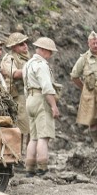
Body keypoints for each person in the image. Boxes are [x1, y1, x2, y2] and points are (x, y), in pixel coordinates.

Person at [22, 37, 60, 176]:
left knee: (33, 136)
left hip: (30, 99)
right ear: (43, 50)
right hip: (40, 99)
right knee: (44, 136)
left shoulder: (27, 64)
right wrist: (54, 106)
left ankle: (29, 167)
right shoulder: (41, 65)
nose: (50, 55)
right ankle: (42, 167)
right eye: (50, 52)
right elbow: (46, 87)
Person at [70, 31, 97, 143]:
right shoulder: (84, 59)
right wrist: (83, 88)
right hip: (91, 94)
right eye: (93, 43)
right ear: (88, 44)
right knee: (92, 121)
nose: (95, 45)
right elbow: (74, 76)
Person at [0, 32, 31, 155]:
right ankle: (17, 155)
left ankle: (28, 156)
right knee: (20, 128)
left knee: (30, 129)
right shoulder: (9, 58)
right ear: (13, 47)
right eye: (21, 44)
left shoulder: (27, 58)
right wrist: (33, 70)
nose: (25, 46)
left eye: (25, 43)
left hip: (29, 95)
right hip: (18, 97)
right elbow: (14, 74)